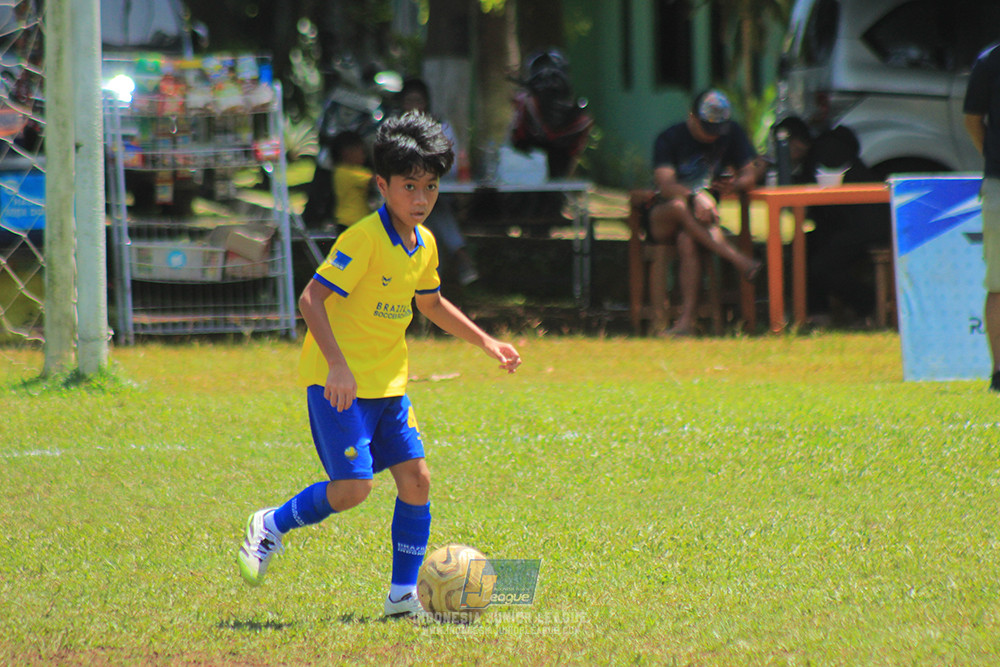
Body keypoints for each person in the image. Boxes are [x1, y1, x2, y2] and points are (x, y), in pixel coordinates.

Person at [236, 111, 523, 618]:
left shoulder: (424, 243)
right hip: (338, 384)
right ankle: (271, 524)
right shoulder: (363, 238)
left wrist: (485, 341)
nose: (421, 199)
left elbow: (431, 303)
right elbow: (310, 299)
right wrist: (337, 366)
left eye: (430, 187)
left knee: (417, 480)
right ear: (382, 185)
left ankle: (401, 596)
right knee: (354, 488)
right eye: (409, 186)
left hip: (389, 386)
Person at [646, 89, 762, 336]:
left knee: (687, 239)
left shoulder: (731, 133)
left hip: (701, 221)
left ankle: (686, 322)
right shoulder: (669, 138)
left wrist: (733, 185)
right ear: (692, 117)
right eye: (707, 128)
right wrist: (695, 195)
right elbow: (665, 186)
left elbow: (750, 174)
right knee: (679, 207)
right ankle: (739, 260)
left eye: (717, 129)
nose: (713, 136)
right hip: (663, 216)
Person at [395, 77, 479, 286]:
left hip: (438, 189)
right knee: (430, 209)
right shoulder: (395, 130)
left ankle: (429, 281)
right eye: (409, 101)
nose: (414, 106)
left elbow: (451, 162)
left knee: (431, 207)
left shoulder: (441, 127)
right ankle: (459, 254)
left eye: (418, 100)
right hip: (404, 195)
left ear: (426, 103)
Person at [963, 41, 1000, 392]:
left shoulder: (989, 60)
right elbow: (973, 120)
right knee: (999, 284)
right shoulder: (990, 61)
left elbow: (973, 122)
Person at [331, 130, 375, 228]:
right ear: (347, 153)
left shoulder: (339, 171)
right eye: (362, 151)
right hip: (352, 221)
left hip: (345, 220)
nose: (364, 156)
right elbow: (376, 180)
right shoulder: (349, 173)